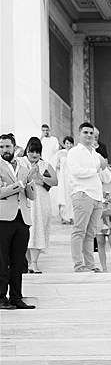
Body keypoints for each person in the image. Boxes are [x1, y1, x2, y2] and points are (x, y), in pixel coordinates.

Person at [67, 122, 111, 273]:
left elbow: (106, 178)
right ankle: (79, 265)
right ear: (79, 134)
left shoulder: (96, 153)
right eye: (85, 132)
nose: (88, 135)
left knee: (90, 234)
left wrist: (104, 167)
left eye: (91, 133)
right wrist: (96, 169)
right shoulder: (74, 152)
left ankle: (90, 265)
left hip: (97, 197)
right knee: (79, 231)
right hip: (82, 194)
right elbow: (76, 171)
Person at [0, 132, 36, 309]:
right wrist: (21, 184)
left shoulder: (23, 168)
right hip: (3, 218)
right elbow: (0, 192)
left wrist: (29, 183)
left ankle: (16, 297)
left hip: (22, 219)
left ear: (14, 147)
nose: (4, 150)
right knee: (1, 260)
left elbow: (32, 196)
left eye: (7, 146)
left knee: (18, 260)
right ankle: (1, 298)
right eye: (1, 146)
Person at [23, 137, 58, 274]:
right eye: (32, 151)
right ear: (27, 150)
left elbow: (55, 181)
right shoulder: (21, 162)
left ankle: (34, 263)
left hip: (41, 199)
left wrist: (41, 178)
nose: (34, 155)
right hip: (26, 199)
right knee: (26, 230)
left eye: (37, 152)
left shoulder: (44, 165)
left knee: (39, 229)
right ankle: (28, 262)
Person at [54, 136, 74, 224]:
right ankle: (64, 217)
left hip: (72, 177)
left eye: (70, 143)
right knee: (63, 195)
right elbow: (55, 164)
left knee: (71, 196)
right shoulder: (60, 153)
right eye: (67, 143)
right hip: (62, 178)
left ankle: (71, 216)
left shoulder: (74, 153)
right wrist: (58, 166)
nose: (69, 145)